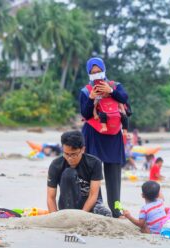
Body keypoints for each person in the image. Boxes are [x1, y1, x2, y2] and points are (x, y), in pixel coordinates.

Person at [80, 57, 128, 218]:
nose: (96, 75)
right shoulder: (86, 91)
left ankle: (116, 207)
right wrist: (92, 98)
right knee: (94, 169)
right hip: (94, 132)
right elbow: (85, 114)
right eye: (92, 73)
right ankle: (97, 204)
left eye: (99, 71)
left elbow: (125, 99)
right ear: (88, 74)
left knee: (114, 171)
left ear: (104, 70)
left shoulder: (116, 86)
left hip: (113, 133)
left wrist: (111, 91)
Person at [47, 131, 111, 217]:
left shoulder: (95, 163)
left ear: (83, 149)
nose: (69, 158)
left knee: (106, 214)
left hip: (91, 205)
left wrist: (81, 216)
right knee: (68, 173)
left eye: (73, 154)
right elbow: (51, 197)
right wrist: (54, 217)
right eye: (66, 154)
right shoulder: (56, 165)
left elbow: (93, 195)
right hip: (68, 203)